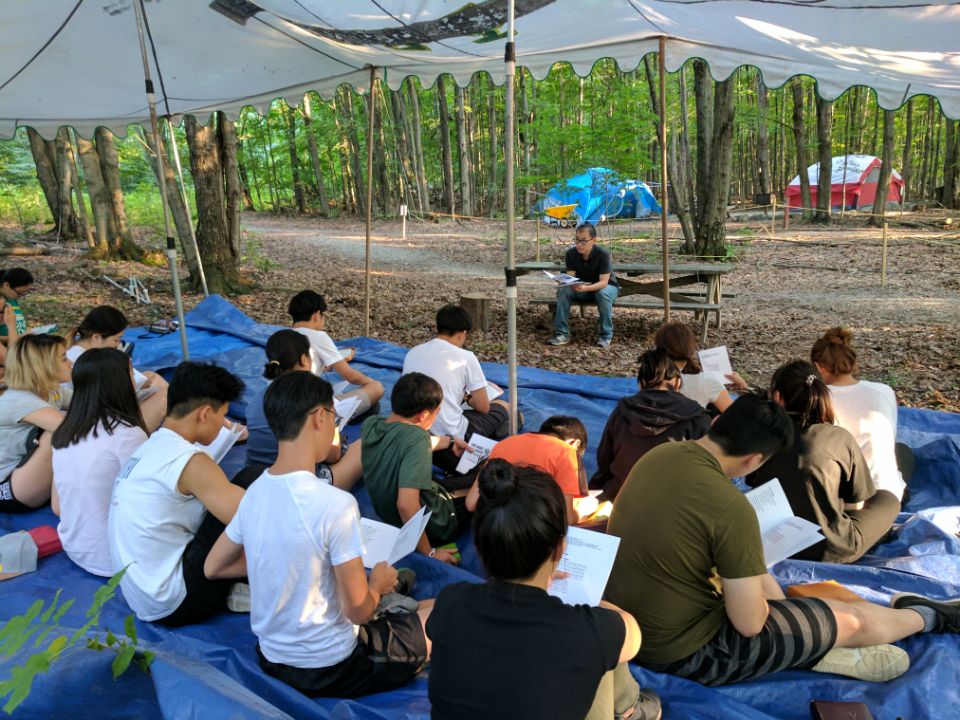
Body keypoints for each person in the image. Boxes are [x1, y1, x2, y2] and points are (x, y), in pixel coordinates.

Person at [605, 394, 960, 687]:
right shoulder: (730, 509)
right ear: (755, 460)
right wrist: (782, 608)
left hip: (622, 625)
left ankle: (816, 644)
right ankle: (927, 616)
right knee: (853, 620)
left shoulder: (659, 455)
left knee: (797, 603)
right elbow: (750, 624)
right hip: (686, 652)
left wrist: (770, 589)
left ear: (717, 422)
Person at [204, 371, 431, 698]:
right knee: (445, 613)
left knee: (420, 607)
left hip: (272, 658)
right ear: (319, 417)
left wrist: (285, 561)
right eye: (335, 420)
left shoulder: (254, 493)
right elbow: (359, 612)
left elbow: (213, 567)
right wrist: (377, 585)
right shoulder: (336, 504)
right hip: (335, 666)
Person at [427, 459, 661, 720]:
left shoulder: (450, 602)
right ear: (560, 549)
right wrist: (588, 599)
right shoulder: (587, 631)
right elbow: (632, 633)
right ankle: (631, 710)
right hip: (587, 648)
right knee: (601, 654)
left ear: (479, 547)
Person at [108, 361, 249, 625]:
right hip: (176, 600)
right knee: (252, 482)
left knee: (231, 496)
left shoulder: (151, 447)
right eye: (223, 416)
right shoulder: (189, 460)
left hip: (142, 596)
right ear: (204, 413)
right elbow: (253, 519)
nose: (223, 425)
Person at [748, 361, 900, 564]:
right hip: (830, 548)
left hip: (768, 541)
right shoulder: (838, 437)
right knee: (888, 499)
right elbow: (856, 501)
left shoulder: (762, 436)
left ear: (777, 396)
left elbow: (753, 481)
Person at [51, 348, 148, 577]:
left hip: (75, 547)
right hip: (114, 558)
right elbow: (148, 503)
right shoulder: (127, 434)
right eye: (131, 372)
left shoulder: (65, 430)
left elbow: (58, 506)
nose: (135, 379)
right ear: (120, 382)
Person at [361, 372, 469, 565]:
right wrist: (429, 553)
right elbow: (406, 504)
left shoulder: (372, 424)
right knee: (481, 488)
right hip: (434, 524)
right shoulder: (417, 439)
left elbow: (407, 442)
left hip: (386, 514)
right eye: (437, 412)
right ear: (424, 415)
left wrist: (450, 442)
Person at [243, 329, 361, 491]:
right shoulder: (311, 400)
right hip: (299, 483)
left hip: (255, 477)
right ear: (305, 359)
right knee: (364, 447)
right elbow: (332, 455)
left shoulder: (258, 398)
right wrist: (334, 428)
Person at [590, 348, 710, 501]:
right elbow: (707, 472)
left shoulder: (622, 411)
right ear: (678, 383)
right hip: (673, 503)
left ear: (640, 384)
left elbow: (604, 460)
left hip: (620, 496)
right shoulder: (697, 417)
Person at [402, 304, 510, 473]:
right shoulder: (465, 358)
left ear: (437, 327)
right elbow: (483, 407)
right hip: (451, 438)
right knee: (504, 406)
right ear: (462, 334)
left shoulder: (413, 353)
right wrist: (467, 398)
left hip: (417, 432)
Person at [811, 326, 910, 501]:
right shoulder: (884, 391)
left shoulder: (817, 399)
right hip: (885, 494)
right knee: (903, 452)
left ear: (820, 368)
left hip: (839, 493)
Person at [465, 415, 591, 524]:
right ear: (575, 444)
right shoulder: (566, 452)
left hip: (491, 528)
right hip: (529, 532)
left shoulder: (504, 443)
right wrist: (581, 511)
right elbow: (567, 518)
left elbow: (471, 503)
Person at [66, 305, 168, 432]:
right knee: (166, 396)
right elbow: (109, 398)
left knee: (156, 380)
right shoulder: (85, 361)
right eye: (116, 339)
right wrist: (138, 383)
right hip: (99, 421)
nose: (118, 344)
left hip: (102, 410)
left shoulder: (87, 353)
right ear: (96, 337)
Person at [0, 334, 72, 512]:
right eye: (64, 358)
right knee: (58, 433)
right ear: (43, 366)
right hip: (8, 488)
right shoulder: (20, 400)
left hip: (29, 475)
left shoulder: (51, 391)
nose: (70, 363)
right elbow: (74, 429)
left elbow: (87, 402)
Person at [288, 289, 384, 416]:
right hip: (306, 413)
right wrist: (370, 382)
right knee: (376, 388)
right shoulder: (318, 337)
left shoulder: (281, 336)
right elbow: (350, 376)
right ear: (317, 315)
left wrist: (321, 366)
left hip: (279, 406)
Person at [546, 223, 619, 349]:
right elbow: (571, 278)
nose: (579, 244)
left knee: (602, 293)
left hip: (606, 288)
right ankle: (561, 334)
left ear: (594, 240)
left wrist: (585, 288)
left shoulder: (603, 254)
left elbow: (604, 282)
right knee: (564, 291)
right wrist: (564, 281)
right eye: (577, 240)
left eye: (584, 241)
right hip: (582, 288)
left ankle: (606, 335)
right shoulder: (571, 254)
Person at [653, 321, 748, 412]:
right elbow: (736, 417)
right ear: (690, 348)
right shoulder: (708, 382)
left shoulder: (649, 378)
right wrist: (744, 390)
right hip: (693, 422)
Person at [0, 267, 34, 342]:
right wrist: (19, 337)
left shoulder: (11, 299)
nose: (20, 296)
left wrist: (25, 331)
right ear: (6, 285)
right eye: (20, 292)